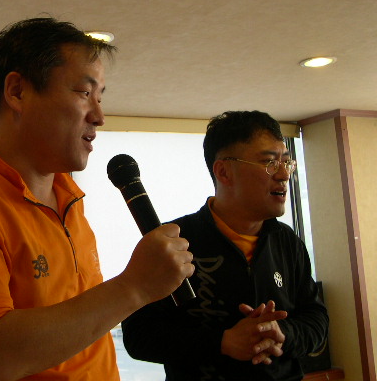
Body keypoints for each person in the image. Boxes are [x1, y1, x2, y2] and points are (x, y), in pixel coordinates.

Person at [0, 17, 195, 381]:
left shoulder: (69, 198)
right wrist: (133, 286)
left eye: (100, 98)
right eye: (84, 93)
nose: (99, 116)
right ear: (17, 92)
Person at [122, 110, 329, 381]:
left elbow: (316, 319)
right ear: (224, 172)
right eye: (269, 162)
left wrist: (283, 334)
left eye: (286, 163)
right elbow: (138, 336)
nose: (283, 175)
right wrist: (222, 342)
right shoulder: (171, 242)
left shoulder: (288, 242)